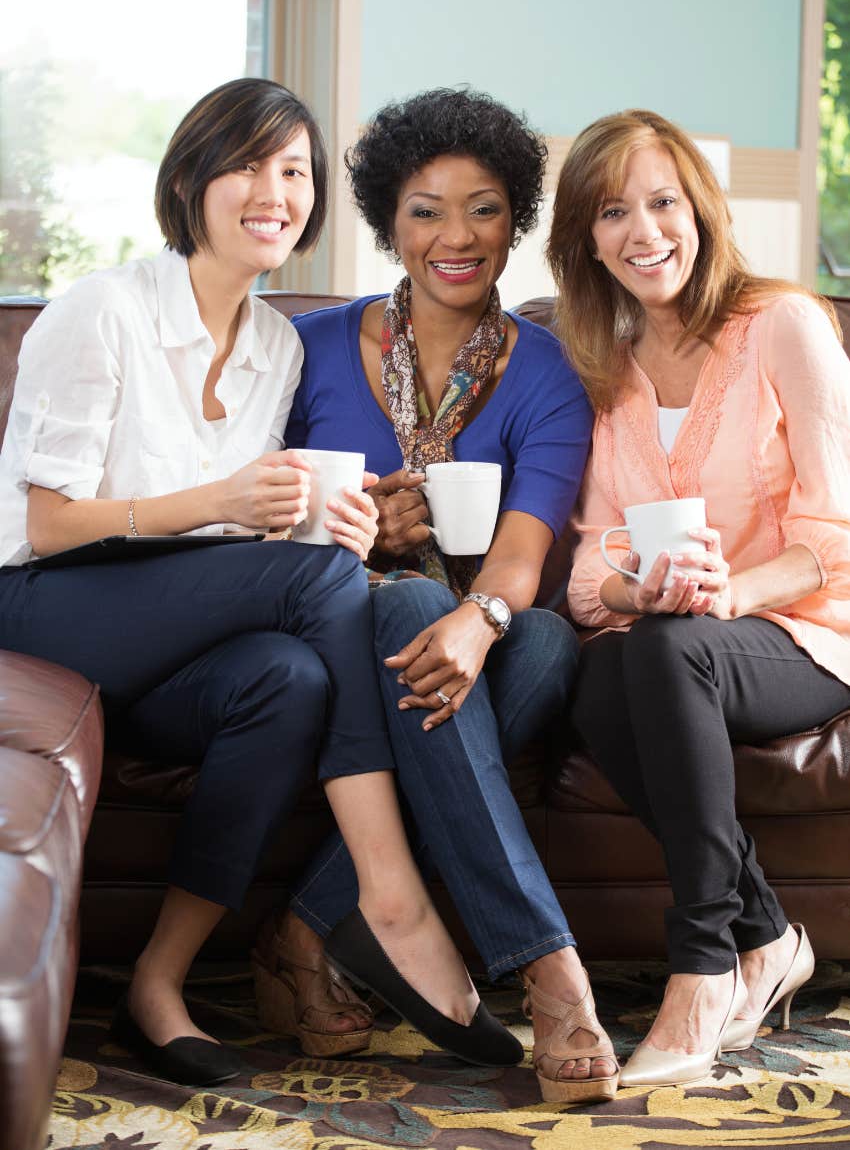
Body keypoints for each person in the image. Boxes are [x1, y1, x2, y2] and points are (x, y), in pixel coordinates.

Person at [0, 77, 520, 1087]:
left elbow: (249, 526)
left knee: (291, 676)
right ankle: (389, 895)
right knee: (317, 587)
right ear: (193, 176)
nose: (273, 190)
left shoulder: (276, 345)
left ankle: (161, 977)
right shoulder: (102, 311)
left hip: (168, 624)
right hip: (42, 608)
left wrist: (339, 517)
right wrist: (218, 504)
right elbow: (43, 523)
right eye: (247, 163)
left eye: (294, 171)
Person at [253, 87, 622, 1103]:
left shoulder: (548, 371)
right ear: (386, 221)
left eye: (484, 207)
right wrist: (365, 532)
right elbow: (256, 518)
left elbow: (525, 543)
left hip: (479, 641)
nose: (456, 236)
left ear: (516, 222)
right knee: (409, 606)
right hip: (330, 629)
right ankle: (552, 971)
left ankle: (304, 922)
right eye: (425, 208)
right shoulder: (310, 347)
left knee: (542, 641)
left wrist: (484, 614)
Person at [546, 107, 850, 1087]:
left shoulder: (783, 324)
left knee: (666, 647)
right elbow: (594, 567)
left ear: (700, 209)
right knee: (605, 675)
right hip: (684, 638)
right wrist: (636, 584)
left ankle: (702, 959)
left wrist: (732, 591)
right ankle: (766, 936)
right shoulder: (604, 363)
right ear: (583, 239)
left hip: (808, 628)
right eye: (610, 212)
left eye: (662, 201)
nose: (643, 231)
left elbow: (836, 530)